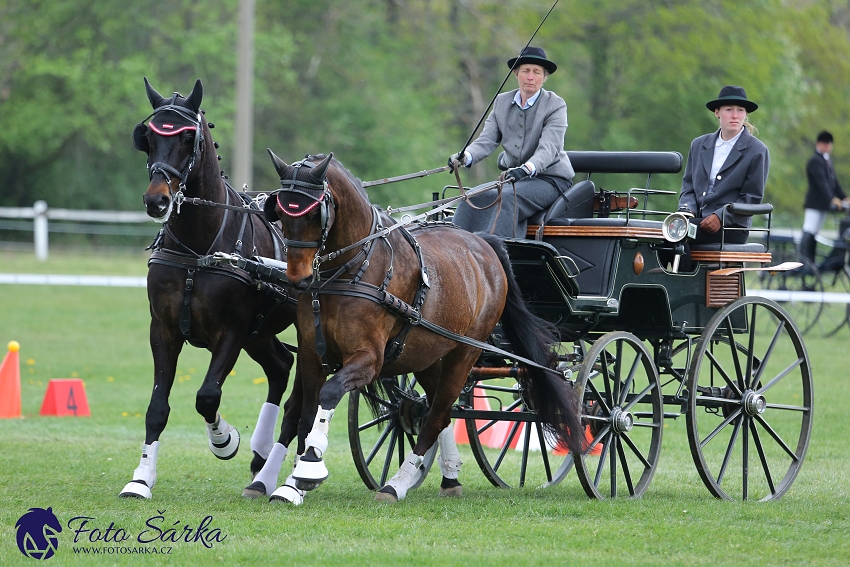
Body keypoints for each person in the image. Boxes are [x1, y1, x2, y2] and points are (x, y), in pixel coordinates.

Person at [447, 46, 574, 238]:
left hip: (550, 180)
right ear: (516, 74)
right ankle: (456, 250)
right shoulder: (501, 102)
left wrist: (526, 168)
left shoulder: (555, 105)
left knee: (506, 198)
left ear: (544, 77)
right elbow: (487, 140)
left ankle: (498, 257)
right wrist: (465, 156)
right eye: (525, 71)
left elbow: (549, 148)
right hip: (515, 180)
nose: (530, 77)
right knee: (469, 196)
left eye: (536, 72)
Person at [677, 85, 770, 246]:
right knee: (664, 236)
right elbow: (688, 187)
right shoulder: (698, 145)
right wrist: (687, 210)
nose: (735, 115)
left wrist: (721, 216)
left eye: (740, 110)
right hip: (696, 221)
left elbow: (751, 198)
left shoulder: (757, 151)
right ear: (717, 112)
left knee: (678, 236)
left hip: (732, 227)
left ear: (746, 114)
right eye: (728, 109)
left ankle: (687, 271)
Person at [799, 131, 849, 266]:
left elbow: (833, 182)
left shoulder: (826, 160)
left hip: (823, 204)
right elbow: (822, 183)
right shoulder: (815, 161)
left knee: (815, 232)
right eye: (825, 144)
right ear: (819, 144)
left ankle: (811, 261)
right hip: (815, 203)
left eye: (829, 144)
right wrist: (832, 198)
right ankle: (804, 260)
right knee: (809, 229)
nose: (827, 146)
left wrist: (843, 197)